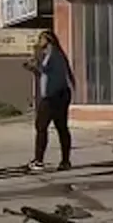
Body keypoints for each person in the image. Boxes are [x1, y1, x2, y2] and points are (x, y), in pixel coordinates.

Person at [25, 29, 74, 171]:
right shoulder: (56, 54)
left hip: (53, 97)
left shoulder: (52, 53)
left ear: (48, 40)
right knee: (61, 128)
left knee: (42, 127)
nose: (39, 42)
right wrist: (34, 69)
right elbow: (45, 74)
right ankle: (65, 161)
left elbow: (44, 69)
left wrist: (34, 63)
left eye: (41, 39)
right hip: (59, 95)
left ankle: (39, 161)